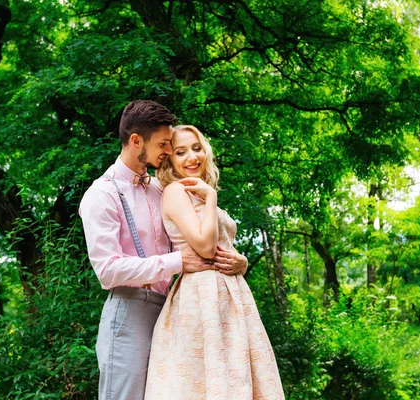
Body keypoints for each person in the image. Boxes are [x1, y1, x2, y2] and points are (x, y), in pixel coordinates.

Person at [79, 100, 248, 400]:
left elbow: (197, 238)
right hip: (129, 311)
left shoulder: (161, 190)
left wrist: (238, 261)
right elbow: (107, 271)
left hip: (172, 310)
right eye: (163, 144)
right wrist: (176, 261)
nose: (168, 151)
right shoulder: (101, 195)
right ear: (135, 141)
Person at [144, 125, 284, 399]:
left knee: (237, 378)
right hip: (200, 298)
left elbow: (224, 246)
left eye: (196, 149)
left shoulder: (199, 191)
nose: (191, 157)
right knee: (206, 381)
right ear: (170, 159)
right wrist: (211, 196)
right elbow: (206, 246)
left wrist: (241, 262)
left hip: (230, 297)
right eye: (181, 152)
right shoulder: (176, 192)